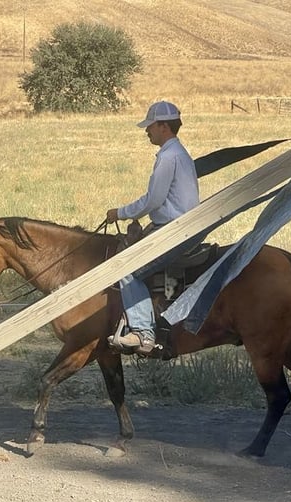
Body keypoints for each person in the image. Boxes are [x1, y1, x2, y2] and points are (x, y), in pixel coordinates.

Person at [106, 101, 199, 355]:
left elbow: (153, 200)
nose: (147, 131)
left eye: (150, 126)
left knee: (126, 268)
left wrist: (120, 213)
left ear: (163, 127)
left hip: (173, 230)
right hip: (181, 226)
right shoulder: (179, 154)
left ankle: (143, 333)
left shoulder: (169, 157)